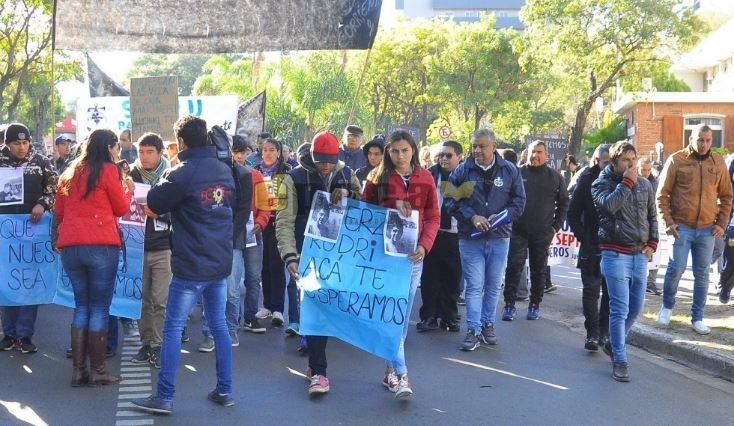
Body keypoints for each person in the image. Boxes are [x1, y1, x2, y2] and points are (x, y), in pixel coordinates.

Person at [132, 116, 236, 414]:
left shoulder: (181, 172)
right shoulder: (223, 168)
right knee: (219, 326)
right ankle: (225, 389)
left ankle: (164, 396)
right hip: (219, 260)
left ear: (181, 142)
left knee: (173, 326)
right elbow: (231, 207)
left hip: (191, 263)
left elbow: (153, 203)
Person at [276, 132, 362, 395]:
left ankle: (315, 365)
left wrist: (348, 193)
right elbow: (284, 220)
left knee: (330, 309)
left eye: (329, 161)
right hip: (307, 255)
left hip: (340, 257)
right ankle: (319, 372)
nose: (325, 166)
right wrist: (290, 256)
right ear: (311, 156)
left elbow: (365, 207)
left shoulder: (348, 175)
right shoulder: (293, 179)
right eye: (320, 161)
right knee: (314, 310)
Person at [361, 130, 440, 399]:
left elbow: (433, 216)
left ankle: (390, 371)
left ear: (414, 150)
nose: (400, 156)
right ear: (387, 152)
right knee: (391, 313)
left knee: (402, 316)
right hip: (385, 257)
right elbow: (365, 216)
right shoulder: (376, 178)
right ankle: (401, 373)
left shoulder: (426, 177)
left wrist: (424, 245)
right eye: (394, 151)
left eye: (405, 150)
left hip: (413, 258)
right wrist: (391, 207)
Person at [55, 128, 132, 386]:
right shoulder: (109, 170)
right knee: (99, 307)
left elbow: (60, 210)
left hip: (71, 246)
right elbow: (121, 208)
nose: (118, 151)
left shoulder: (71, 171)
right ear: (109, 147)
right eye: (116, 147)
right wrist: (127, 189)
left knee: (82, 306)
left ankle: (78, 371)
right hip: (100, 244)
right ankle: (99, 371)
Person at [446, 129, 526, 351]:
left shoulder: (510, 171)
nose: (477, 151)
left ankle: (487, 324)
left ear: (494, 146)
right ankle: (473, 330)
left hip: (500, 238)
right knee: (474, 286)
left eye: (482, 146)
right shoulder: (463, 171)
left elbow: (519, 202)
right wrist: (472, 216)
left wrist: (502, 217)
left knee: (492, 286)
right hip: (470, 239)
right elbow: (451, 201)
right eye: (474, 146)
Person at [657, 124, 733, 335]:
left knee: (702, 275)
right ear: (691, 138)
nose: (704, 144)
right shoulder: (676, 160)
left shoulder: (718, 162)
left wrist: (721, 224)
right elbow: (662, 195)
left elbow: (727, 196)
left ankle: (697, 317)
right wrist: (668, 223)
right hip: (682, 227)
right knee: (675, 269)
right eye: (700, 140)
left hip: (708, 229)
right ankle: (667, 306)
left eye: (708, 140)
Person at [592, 141, 658, 382]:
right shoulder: (601, 183)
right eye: (625, 161)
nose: (631, 165)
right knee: (619, 309)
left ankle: (612, 342)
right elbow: (609, 206)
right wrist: (627, 182)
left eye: (633, 160)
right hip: (614, 252)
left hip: (639, 253)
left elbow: (652, 216)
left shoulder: (645, 184)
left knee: (636, 308)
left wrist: (652, 243)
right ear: (615, 162)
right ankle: (620, 359)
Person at [0, 123, 58, 354]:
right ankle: (9, 333)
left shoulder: (42, 162)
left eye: (25, 143)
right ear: (7, 143)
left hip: (32, 234)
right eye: (16, 143)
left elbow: (55, 189)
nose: (22, 147)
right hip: (5, 235)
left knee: (28, 282)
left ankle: (25, 335)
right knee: (7, 280)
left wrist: (42, 205)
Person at [502, 141, 569, 321]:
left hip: (542, 233)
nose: (535, 156)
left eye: (539, 152)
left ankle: (534, 305)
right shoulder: (518, 173)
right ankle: (509, 304)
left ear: (546, 155)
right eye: (533, 152)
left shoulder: (555, 177)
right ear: (527, 153)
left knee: (539, 270)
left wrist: (555, 227)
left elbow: (564, 203)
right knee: (514, 267)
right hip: (518, 230)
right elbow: (506, 198)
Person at [198, 134, 252, 350]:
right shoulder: (204, 172)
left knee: (231, 289)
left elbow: (243, 209)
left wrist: (227, 235)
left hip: (232, 239)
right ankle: (209, 333)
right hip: (208, 238)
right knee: (209, 288)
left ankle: (231, 329)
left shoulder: (243, 174)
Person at [128, 133, 173, 369]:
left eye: (149, 152)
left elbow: (181, 209)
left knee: (160, 300)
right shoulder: (131, 176)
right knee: (143, 299)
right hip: (137, 245)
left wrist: (161, 215)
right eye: (141, 152)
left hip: (164, 246)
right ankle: (146, 343)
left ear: (160, 152)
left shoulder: (171, 176)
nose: (144, 157)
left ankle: (159, 345)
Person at [567, 144, 611, 351]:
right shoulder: (586, 181)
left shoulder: (623, 181)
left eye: (613, 162)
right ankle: (592, 333)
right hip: (591, 244)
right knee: (591, 290)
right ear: (597, 161)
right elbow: (572, 214)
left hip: (614, 245)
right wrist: (584, 237)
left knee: (610, 293)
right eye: (606, 162)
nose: (609, 166)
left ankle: (604, 332)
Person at [417, 140, 463, 333]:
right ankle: (428, 316)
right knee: (430, 277)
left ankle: (449, 317)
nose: (444, 159)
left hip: (456, 233)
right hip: (432, 232)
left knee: (452, 278)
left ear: (459, 157)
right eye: (441, 155)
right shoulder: (429, 173)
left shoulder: (466, 174)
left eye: (449, 155)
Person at [252, 138, 292, 332]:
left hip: (278, 222)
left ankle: (278, 308)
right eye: (265, 150)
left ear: (279, 152)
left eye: (272, 150)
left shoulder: (286, 172)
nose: (267, 153)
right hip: (259, 223)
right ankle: (266, 305)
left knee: (277, 265)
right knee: (264, 266)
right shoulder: (255, 171)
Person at [232, 135, 269, 334]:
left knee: (254, 277)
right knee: (233, 279)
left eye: (242, 152)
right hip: (233, 233)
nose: (239, 156)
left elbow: (265, 206)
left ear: (247, 153)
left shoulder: (256, 175)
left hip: (253, 232)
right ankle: (233, 319)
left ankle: (250, 316)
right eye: (235, 152)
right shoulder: (225, 175)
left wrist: (261, 223)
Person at [638, 158, 662, 296]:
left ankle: (651, 281)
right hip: (638, 221)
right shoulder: (634, 180)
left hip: (650, 219)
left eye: (648, 170)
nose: (646, 173)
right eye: (643, 170)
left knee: (655, 251)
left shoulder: (654, 182)